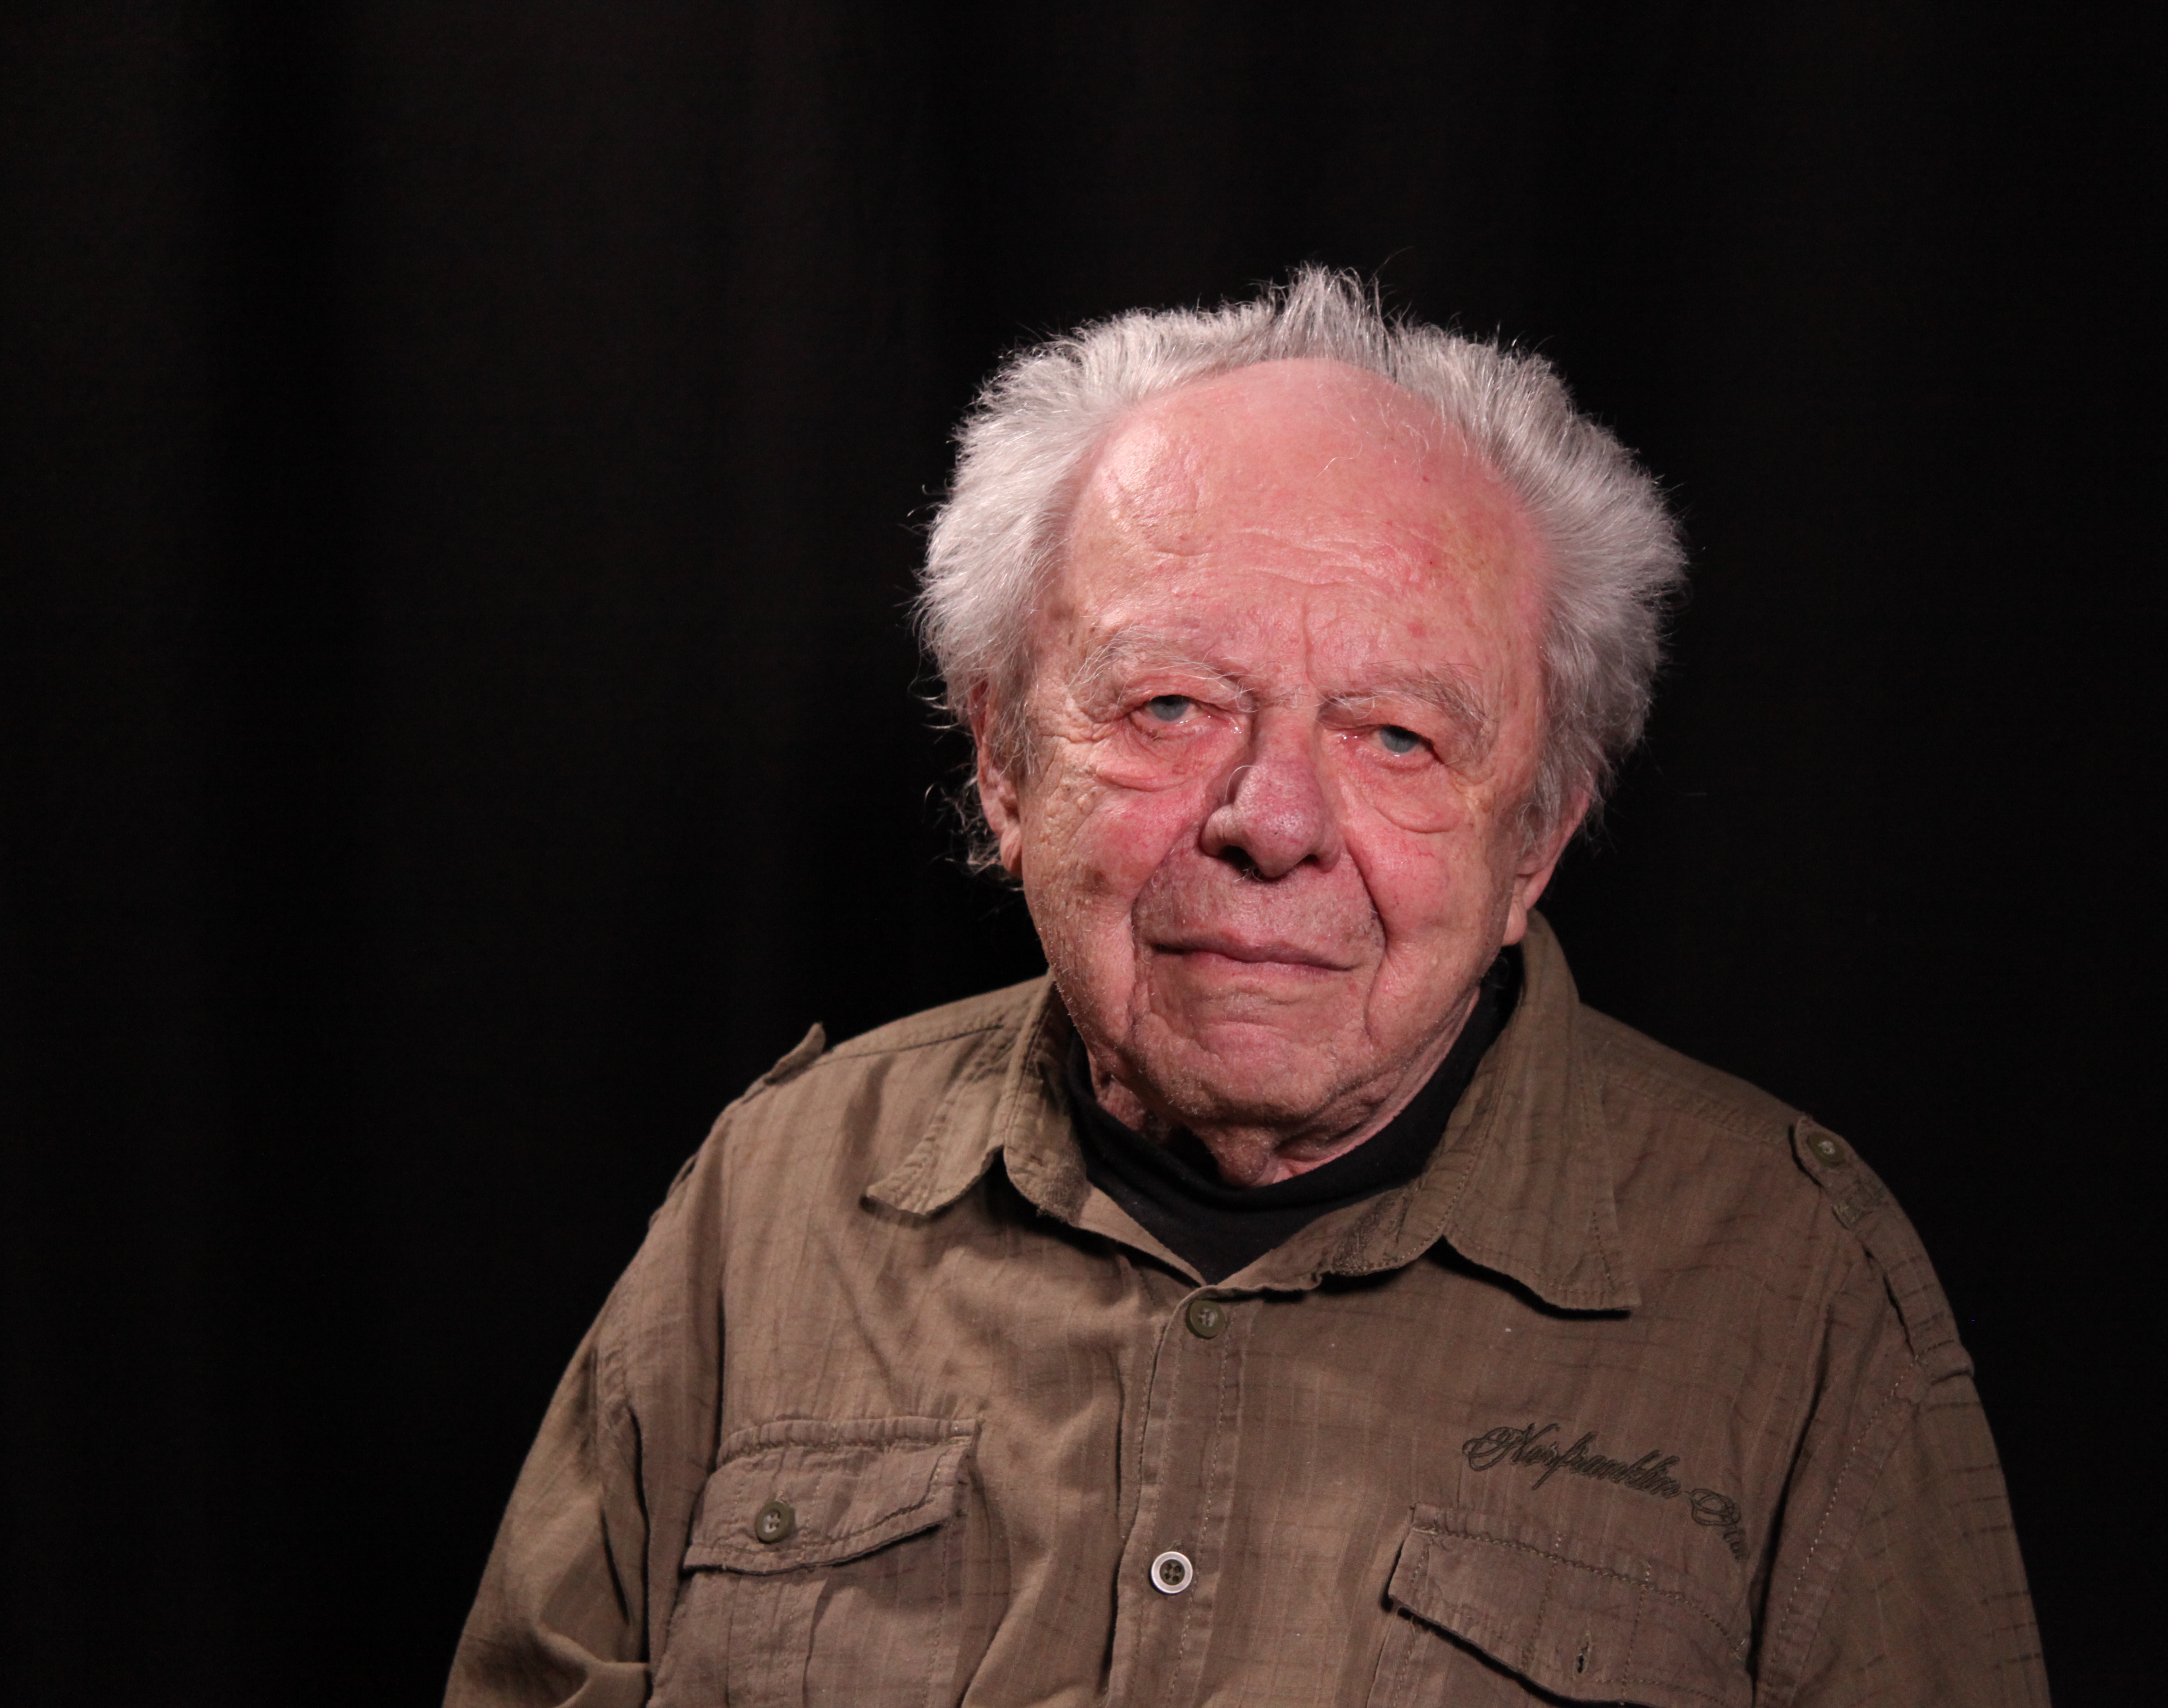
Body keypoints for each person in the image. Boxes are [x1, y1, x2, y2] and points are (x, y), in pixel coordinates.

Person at [446, 269, 2048, 1708]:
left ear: (1538, 839)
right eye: (1169, 705)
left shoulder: (1799, 1294)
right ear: (1004, 762)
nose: (1272, 822)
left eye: (1398, 735)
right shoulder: (771, 1199)